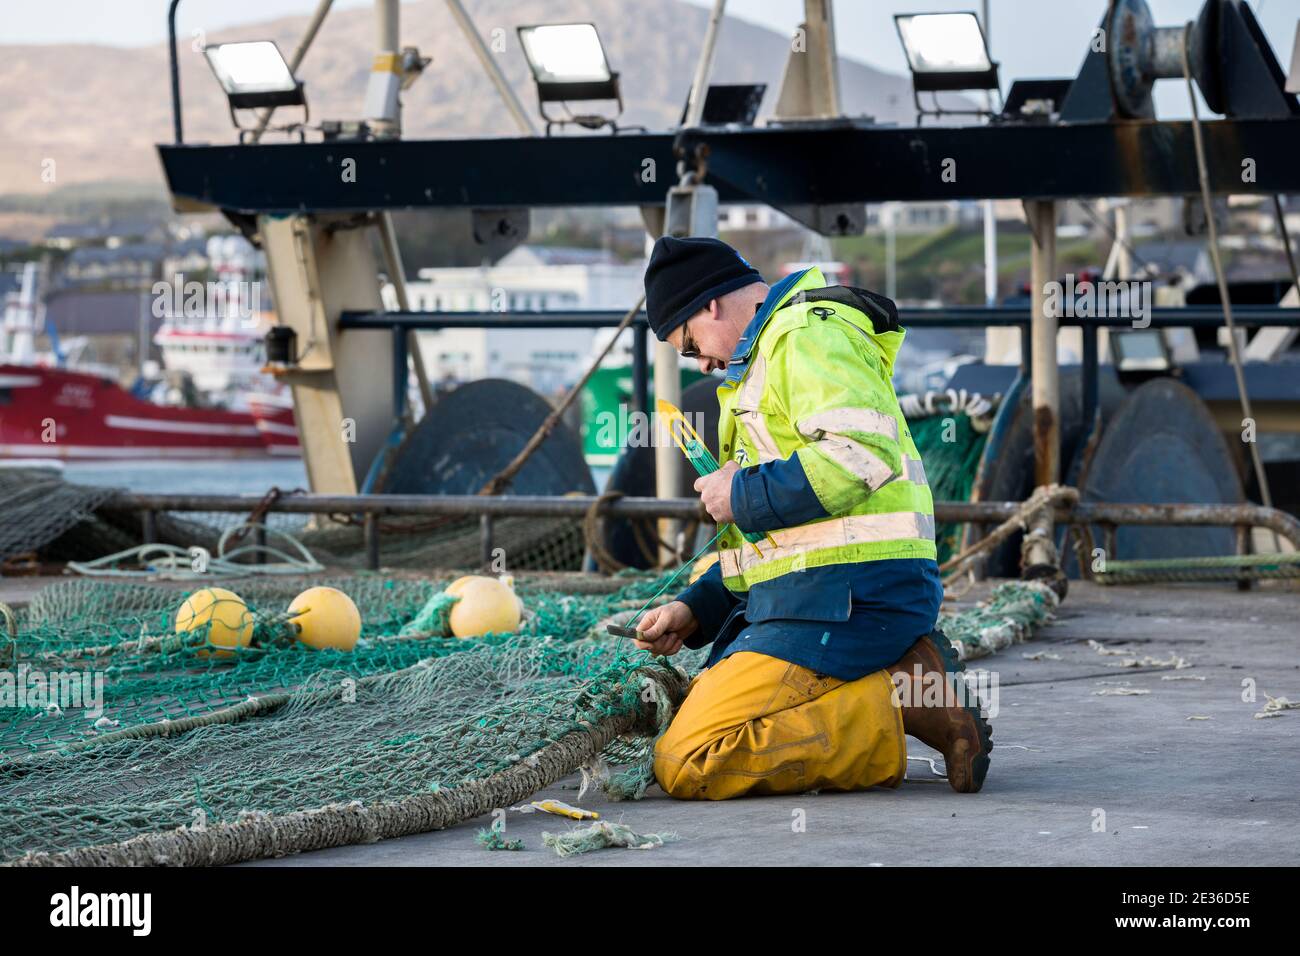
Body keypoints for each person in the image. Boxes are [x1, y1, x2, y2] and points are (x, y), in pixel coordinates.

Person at [635, 236, 992, 800]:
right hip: (815, 597)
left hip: (852, 595)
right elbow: (778, 542)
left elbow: (860, 454)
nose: (700, 362)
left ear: (709, 305)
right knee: (691, 724)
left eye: (689, 345)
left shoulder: (805, 336)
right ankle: (903, 675)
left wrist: (742, 494)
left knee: (688, 759)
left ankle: (898, 698)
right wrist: (696, 607)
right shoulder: (766, 361)